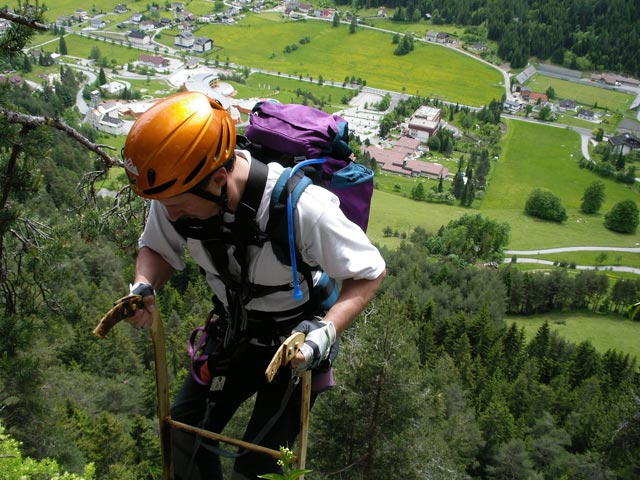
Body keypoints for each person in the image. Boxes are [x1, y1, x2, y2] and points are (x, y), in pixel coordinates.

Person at [121, 91, 386, 480]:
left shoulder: (301, 207)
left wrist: (326, 332)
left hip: (293, 343)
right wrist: (143, 286)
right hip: (233, 330)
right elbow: (157, 249)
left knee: (259, 465)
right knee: (182, 434)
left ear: (218, 179)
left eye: (177, 206)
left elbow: (369, 271)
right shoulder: (178, 194)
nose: (170, 214)